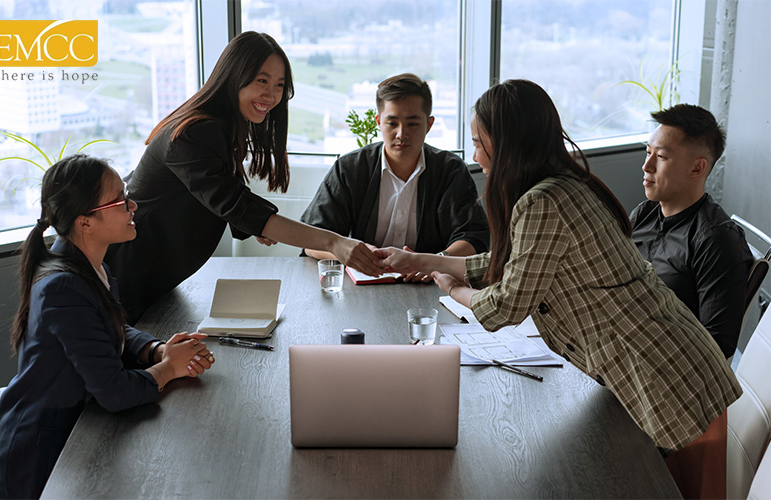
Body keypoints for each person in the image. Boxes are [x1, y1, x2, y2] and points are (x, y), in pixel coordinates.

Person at [376, 80, 742, 499]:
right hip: (661, 372)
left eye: (479, 143)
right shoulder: (561, 186)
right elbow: (518, 268)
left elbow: (506, 305)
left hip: (672, 380)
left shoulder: (543, 201)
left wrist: (451, 289)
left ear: (507, 143)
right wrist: (428, 260)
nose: (475, 157)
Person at [105, 31, 382, 323]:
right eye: (261, 81)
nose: (271, 95)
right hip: (123, 281)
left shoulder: (222, 129)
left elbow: (227, 197)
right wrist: (335, 243)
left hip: (155, 280)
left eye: (279, 85)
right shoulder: (196, 133)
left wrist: (256, 225)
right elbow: (237, 205)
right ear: (233, 75)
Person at [0, 155, 214, 499]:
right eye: (122, 200)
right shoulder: (63, 285)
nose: (133, 205)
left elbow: (108, 329)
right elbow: (114, 392)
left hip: (75, 434)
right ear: (86, 222)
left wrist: (157, 349)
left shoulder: (88, 267)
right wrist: (169, 368)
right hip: (42, 461)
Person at [300, 73, 488, 282]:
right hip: (362, 288)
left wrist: (434, 262)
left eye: (413, 124)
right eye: (392, 123)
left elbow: (474, 238)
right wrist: (352, 254)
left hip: (432, 286)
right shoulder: (350, 168)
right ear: (379, 122)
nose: (401, 134)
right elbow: (311, 239)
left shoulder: (450, 170)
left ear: (429, 124)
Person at [630, 104, 753, 359]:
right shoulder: (644, 214)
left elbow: (716, 344)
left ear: (697, 168)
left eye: (661, 157)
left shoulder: (716, 240)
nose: (647, 166)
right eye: (648, 153)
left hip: (664, 375)